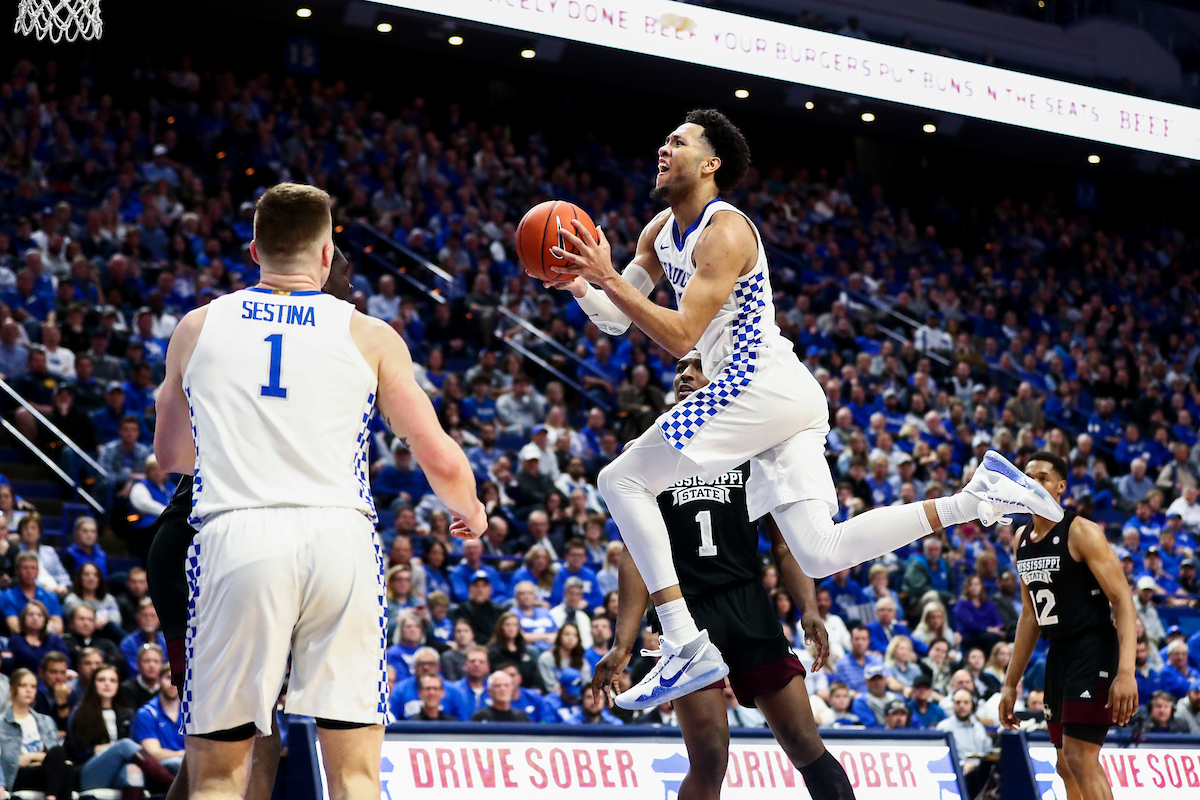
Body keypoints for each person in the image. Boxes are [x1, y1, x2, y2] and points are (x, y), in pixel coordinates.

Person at [553, 111, 1059, 706]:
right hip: (784, 395)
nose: (663, 147)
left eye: (678, 140)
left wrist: (609, 279)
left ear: (711, 164)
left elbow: (679, 333)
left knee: (623, 479)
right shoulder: (658, 232)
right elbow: (618, 318)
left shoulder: (726, 231)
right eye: (663, 138)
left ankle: (686, 642)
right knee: (819, 551)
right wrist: (583, 283)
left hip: (754, 381)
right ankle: (975, 499)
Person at [153, 185, 485, 800]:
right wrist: (473, 513)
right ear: (328, 256)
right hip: (340, 539)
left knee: (220, 776)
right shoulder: (371, 334)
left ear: (254, 250)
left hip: (237, 536)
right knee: (355, 777)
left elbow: (172, 456)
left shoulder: (197, 327)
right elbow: (438, 457)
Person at [591, 352, 857, 799]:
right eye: (680, 369)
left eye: (698, 367)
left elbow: (784, 542)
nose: (686, 375)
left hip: (748, 602)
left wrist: (808, 608)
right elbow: (634, 554)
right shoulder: (644, 453)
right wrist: (623, 643)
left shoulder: (756, 448)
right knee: (710, 756)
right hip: (685, 613)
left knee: (805, 744)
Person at [1000, 452, 1139, 800]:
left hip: (1092, 647)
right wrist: (1010, 683)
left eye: (1043, 477)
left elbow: (1123, 600)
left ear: (1061, 486)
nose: (1033, 483)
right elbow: (1030, 615)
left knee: (1080, 756)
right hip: (1058, 651)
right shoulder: (1022, 538)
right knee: (1064, 762)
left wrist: (1126, 672)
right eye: (1028, 477)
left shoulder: (1081, 531)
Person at [67, 665, 174, 795]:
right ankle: (173, 783)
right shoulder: (79, 712)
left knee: (133, 770)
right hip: (89, 772)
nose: (107, 684)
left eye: (113, 681)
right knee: (124, 744)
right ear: (93, 684)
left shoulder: (126, 713)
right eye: (101, 680)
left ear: (118, 685)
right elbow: (79, 751)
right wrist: (114, 748)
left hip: (119, 769)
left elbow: (134, 748)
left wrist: (112, 748)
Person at [0, 668, 74, 800]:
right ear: (12, 689)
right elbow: (14, 762)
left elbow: (55, 756)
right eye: (23, 686)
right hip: (17, 775)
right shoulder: (2, 723)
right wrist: (38, 756)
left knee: (65, 764)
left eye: (33, 687)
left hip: (46, 771)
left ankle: (50, 797)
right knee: (64, 768)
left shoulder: (45, 721)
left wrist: (32, 758)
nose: (29, 690)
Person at [937, 690, 993, 796]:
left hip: (980, 771)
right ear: (952, 704)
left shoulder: (978, 727)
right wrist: (962, 765)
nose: (962, 706)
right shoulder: (944, 727)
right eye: (958, 702)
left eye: (966, 702)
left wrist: (975, 764)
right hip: (955, 771)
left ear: (972, 705)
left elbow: (988, 752)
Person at [133, 667, 185, 776]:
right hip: (161, 766)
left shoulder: (191, 711)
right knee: (177, 763)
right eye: (168, 678)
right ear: (159, 681)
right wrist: (183, 754)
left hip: (188, 762)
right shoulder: (147, 713)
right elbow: (153, 753)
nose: (173, 683)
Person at [8, 600, 69, 673]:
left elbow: (66, 660)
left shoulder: (55, 639)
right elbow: (30, 660)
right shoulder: (16, 640)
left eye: (39, 615)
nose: (35, 618)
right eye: (31, 614)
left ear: (45, 619)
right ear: (23, 618)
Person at [121, 644, 163, 711]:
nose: (152, 665)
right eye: (146, 661)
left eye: (156, 661)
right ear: (138, 665)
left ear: (161, 665)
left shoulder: (165, 689)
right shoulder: (126, 689)